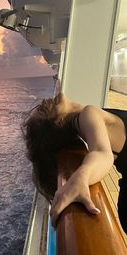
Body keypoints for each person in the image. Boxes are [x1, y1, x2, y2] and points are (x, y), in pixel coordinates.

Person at [22, 92, 127, 233]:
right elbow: (102, 152)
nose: (44, 100)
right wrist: (81, 176)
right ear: (58, 123)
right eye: (43, 109)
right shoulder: (87, 115)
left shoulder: (85, 119)